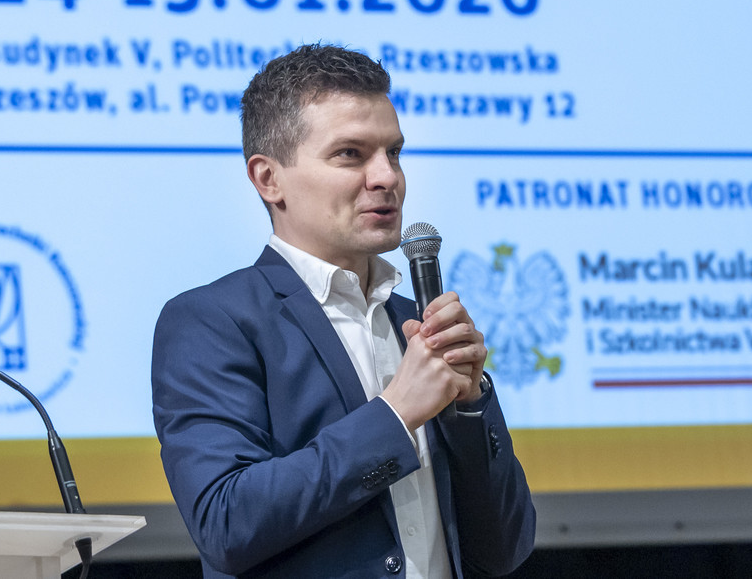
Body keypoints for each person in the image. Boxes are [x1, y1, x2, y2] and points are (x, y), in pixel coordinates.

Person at [151, 44, 535, 579]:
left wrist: (471, 408)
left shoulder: (416, 324)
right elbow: (226, 523)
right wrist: (396, 414)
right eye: (351, 154)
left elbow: (503, 551)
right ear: (268, 179)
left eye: (394, 153)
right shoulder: (211, 322)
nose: (387, 177)